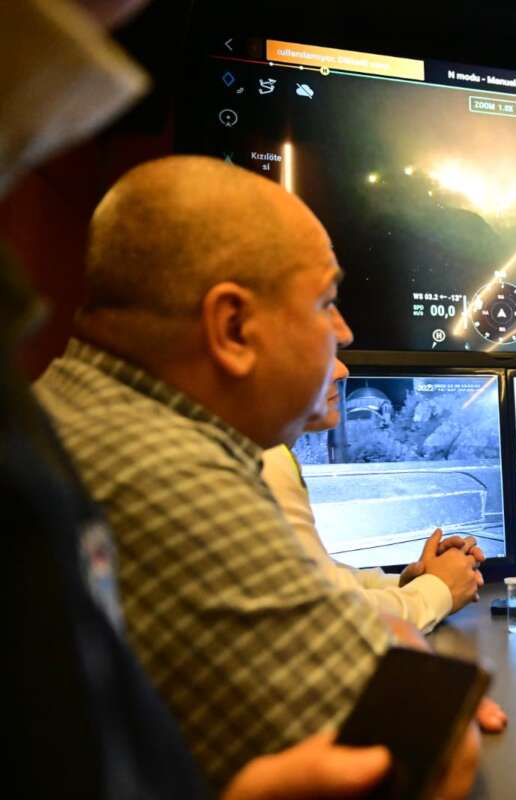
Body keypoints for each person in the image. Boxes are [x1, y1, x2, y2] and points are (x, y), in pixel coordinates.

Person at [31, 154, 484, 790]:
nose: (344, 333)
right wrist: (399, 635)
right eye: (326, 302)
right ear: (233, 328)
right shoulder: (174, 475)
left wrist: (388, 612)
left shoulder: (76, 409)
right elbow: (423, 754)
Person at [261, 359, 486, 634]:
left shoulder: (272, 454)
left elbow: (326, 577)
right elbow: (335, 616)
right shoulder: (265, 460)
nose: (342, 371)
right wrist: (439, 588)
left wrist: (419, 581)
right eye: (323, 346)